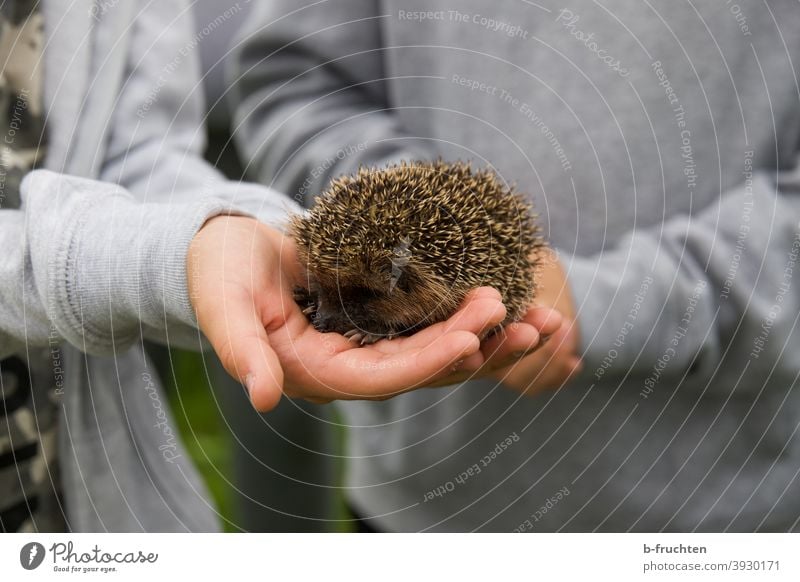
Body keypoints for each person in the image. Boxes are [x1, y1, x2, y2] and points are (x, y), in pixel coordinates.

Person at [230, 1, 800, 531]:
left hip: (714, 510)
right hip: (417, 495)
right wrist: (393, 199)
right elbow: (295, 79)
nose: (331, 316)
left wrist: (616, 301)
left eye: (358, 297)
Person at [0, 0, 557, 532]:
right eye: (333, 291)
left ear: (415, 284)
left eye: (361, 297)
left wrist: (231, 231)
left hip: (72, 482)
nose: (334, 314)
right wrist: (165, 257)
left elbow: (136, 155)